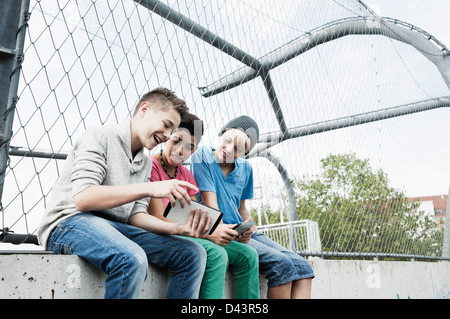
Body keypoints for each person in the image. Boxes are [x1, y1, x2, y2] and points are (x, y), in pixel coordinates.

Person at [37, 87, 212, 299]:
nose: (166, 136)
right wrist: (149, 188)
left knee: (192, 253)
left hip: (116, 227)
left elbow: (136, 216)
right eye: (166, 125)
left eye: (171, 131)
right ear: (144, 110)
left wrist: (176, 228)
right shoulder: (99, 136)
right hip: (69, 222)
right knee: (131, 258)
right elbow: (83, 198)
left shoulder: (145, 163)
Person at [129, 113, 260, 299]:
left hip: (187, 231)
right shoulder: (151, 166)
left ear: (194, 149)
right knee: (216, 254)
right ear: (166, 138)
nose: (180, 151)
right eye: (176, 141)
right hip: (162, 232)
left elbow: (198, 217)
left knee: (248, 255)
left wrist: (231, 232)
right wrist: (209, 233)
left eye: (189, 147)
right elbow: (158, 216)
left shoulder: (187, 176)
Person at [191, 115, 315, 299]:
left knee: (303, 267)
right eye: (227, 142)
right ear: (221, 135)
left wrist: (253, 232)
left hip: (241, 230)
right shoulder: (203, 156)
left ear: (243, 153)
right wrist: (234, 231)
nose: (228, 150)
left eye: (237, 149)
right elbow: (211, 204)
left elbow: (242, 208)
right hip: (220, 228)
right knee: (282, 265)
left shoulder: (245, 169)